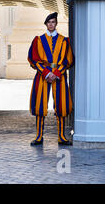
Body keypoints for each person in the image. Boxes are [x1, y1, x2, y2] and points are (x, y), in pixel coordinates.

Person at [27, 12, 74, 146]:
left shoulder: (64, 41)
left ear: (56, 23)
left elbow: (68, 60)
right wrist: (47, 73)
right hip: (43, 76)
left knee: (61, 105)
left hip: (59, 76)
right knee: (40, 106)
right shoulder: (38, 40)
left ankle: (61, 137)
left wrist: (56, 73)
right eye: (49, 22)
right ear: (46, 24)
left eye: (53, 22)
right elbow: (33, 59)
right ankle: (39, 136)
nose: (51, 24)